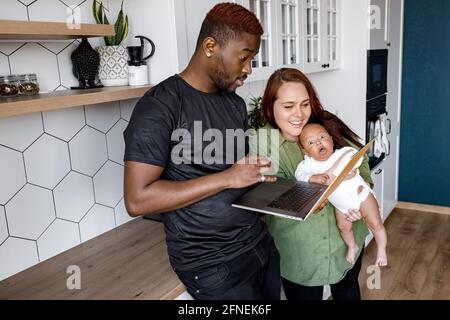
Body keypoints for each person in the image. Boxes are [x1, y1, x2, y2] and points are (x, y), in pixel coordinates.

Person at [122, 3, 280, 300]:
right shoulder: (160, 106)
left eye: (252, 59)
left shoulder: (232, 102)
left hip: (258, 243)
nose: (248, 69)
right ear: (210, 46)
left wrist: (287, 194)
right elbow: (137, 199)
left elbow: (237, 174)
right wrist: (227, 178)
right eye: (244, 57)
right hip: (213, 265)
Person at [253, 68, 374, 300]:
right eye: (288, 106)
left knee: (349, 293)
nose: (299, 114)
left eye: (305, 104)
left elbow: (362, 162)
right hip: (301, 255)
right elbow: (269, 195)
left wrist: (360, 192)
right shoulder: (264, 143)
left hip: (347, 242)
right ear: (270, 107)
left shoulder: (325, 126)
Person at [296, 123, 388, 267]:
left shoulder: (343, 153)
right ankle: (352, 246)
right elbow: (299, 175)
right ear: (305, 151)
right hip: (340, 206)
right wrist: (312, 178)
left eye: (322, 137)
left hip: (361, 196)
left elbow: (355, 158)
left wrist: (332, 176)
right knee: (343, 227)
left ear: (331, 140)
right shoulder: (309, 165)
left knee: (375, 223)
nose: (319, 142)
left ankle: (381, 250)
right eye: (311, 142)